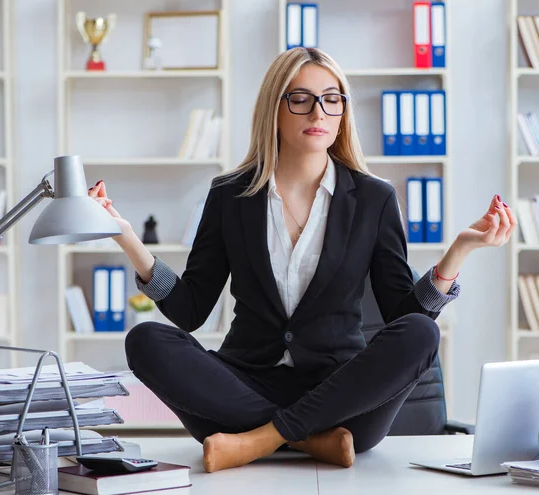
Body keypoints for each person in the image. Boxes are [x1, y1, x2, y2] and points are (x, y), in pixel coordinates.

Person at [88, 47, 515, 473]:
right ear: (274, 108)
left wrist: (457, 253)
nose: (318, 112)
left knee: (420, 332)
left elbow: (400, 315)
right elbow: (191, 310)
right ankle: (314, 442)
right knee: (145, 340)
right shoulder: (230, 195)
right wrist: (127, 238)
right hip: (242, 386)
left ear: (343, 111)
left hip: (341, 397)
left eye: (332, 99)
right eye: (300, 98)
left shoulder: (373, 199)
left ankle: (260, 440)